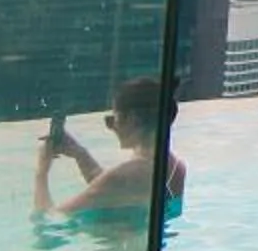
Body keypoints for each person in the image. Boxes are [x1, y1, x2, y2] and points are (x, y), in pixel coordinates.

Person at [36, 77, 187, 221]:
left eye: (112, 119)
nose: (111, 127)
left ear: (132, 119)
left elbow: (49, 219)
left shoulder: (124, 176)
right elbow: (114, 190)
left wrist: (41, 171)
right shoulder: (176, 168)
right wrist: (79, 154)